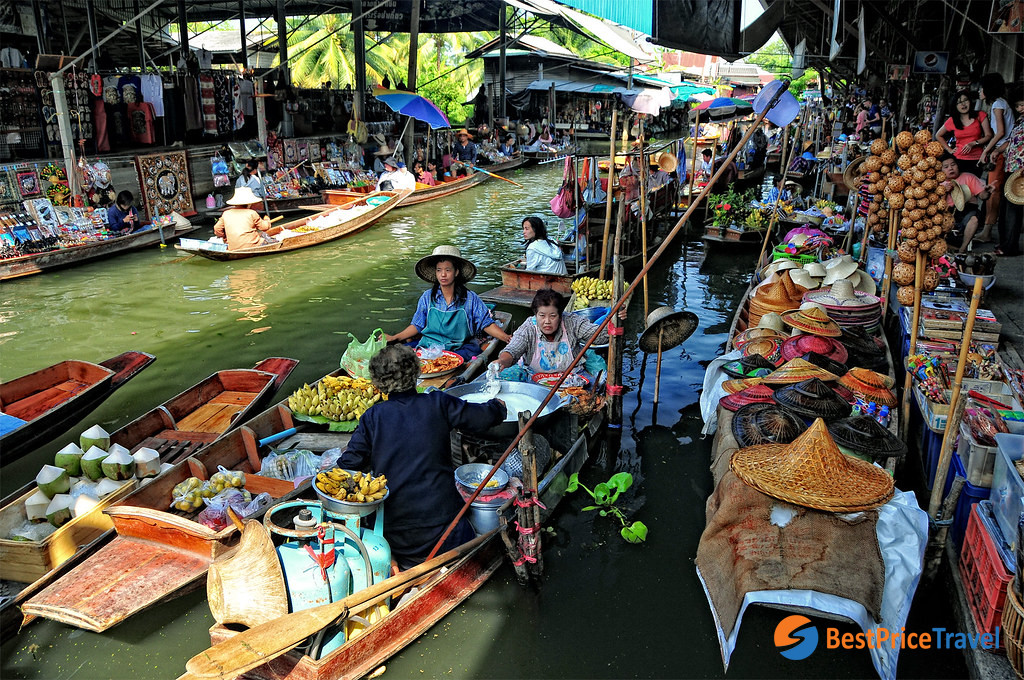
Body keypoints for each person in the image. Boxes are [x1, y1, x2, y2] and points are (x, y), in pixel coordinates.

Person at [340, 344, 505, 569]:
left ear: (378, 383)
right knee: (469, 527)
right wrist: (498, 407)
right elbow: (481, 417)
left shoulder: (373, 417)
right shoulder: (438, 403)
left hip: (396, 537)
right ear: (417, 373)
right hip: (446, 530)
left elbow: (347, 467)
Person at [387, 245, 511, 359]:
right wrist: (395, 337)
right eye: (439, 270)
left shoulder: (470, 298)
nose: (443, 275)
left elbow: (486, 324)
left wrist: (507, 338)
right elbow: (417, 325)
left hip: (458, 349)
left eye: (448, 270)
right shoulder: (427, 297)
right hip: (429, 347)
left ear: (456, 272)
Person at [493, 288, 624, 375]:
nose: (547, 321)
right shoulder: (528, 327)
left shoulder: (572, 322)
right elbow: (513, 349)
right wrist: (502, 361)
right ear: (536, 314)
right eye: (542, 315)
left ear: (561, 315)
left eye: (553, 316)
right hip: (534, 379)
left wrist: (615, 321)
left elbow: (598, 336)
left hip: (571, 378)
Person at [978, 73, 1014, 243]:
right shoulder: (1001, 103)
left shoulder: (998, 105)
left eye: (982, 87)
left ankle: (987, 231)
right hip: (1001, 150)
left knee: (993, 191)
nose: (979, 91)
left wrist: (989, 150)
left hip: (1001, 153)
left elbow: (1000, 132)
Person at [940, 154, 994, 253]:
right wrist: (945, 192)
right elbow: (939, 205)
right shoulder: (939, 183)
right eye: (946, 167)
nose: (951, 168)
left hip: (967, 210)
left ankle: (962, 249)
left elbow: (982, 196)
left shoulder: (968, 177)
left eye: (953, 165)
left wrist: (987, 192)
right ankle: (945, 246)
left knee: (974, 219)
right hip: (947, 213)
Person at [935, 89, 992, 176]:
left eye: (965, 100)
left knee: (974, 186)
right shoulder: (952, 120)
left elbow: (988, 135)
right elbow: (938, 135)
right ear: (955, 106)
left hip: (977, 159)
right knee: (960, 187)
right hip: (959, 159)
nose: (963, 104)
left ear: (970, 101)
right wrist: (949, 150)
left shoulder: (980, 115)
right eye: (959, 102)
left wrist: (974, 143)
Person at [996, 84, 1024, 257]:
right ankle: (1005, 243)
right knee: (1006, 209)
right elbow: (1011, 142)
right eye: (1018, 105)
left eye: (1023, 104)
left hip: (1020, 171)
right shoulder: (1019, 121)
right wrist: (995, 151)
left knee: (1014, 211)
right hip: (1011, 168)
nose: (1021, 108)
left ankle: (1010, 247)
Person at [213, 186, 279, 250]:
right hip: (252, 245)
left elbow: (217, 229)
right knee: (269, 238)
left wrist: (225, 237)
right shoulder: (251, 213)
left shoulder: (226, 213)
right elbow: (265, 227)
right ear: (249, 203)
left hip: (232, 247)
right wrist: (267, 219)